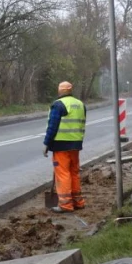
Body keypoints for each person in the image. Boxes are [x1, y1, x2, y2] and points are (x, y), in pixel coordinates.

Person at [42, 81, 86, 213]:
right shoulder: (80, 104)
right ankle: (78, 202)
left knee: (63, 173)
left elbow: (52, 126)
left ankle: (65, 204)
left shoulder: (58, 104)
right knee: (74, 172)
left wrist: (47, 143)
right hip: (76, 144)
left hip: (61, 145)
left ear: (60, 91)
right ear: (70, 91)